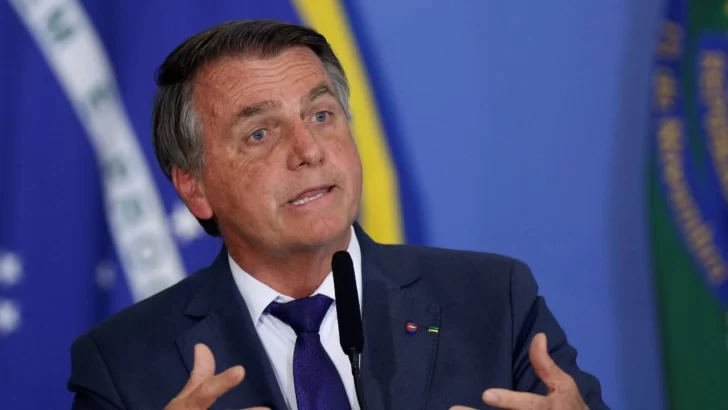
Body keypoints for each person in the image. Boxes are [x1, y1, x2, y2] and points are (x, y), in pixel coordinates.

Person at [67, 20, 610, 410]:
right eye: (260, 133)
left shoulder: (494, 301)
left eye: (322, 115)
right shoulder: (122, 365)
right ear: (195, 187)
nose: (308, 150)